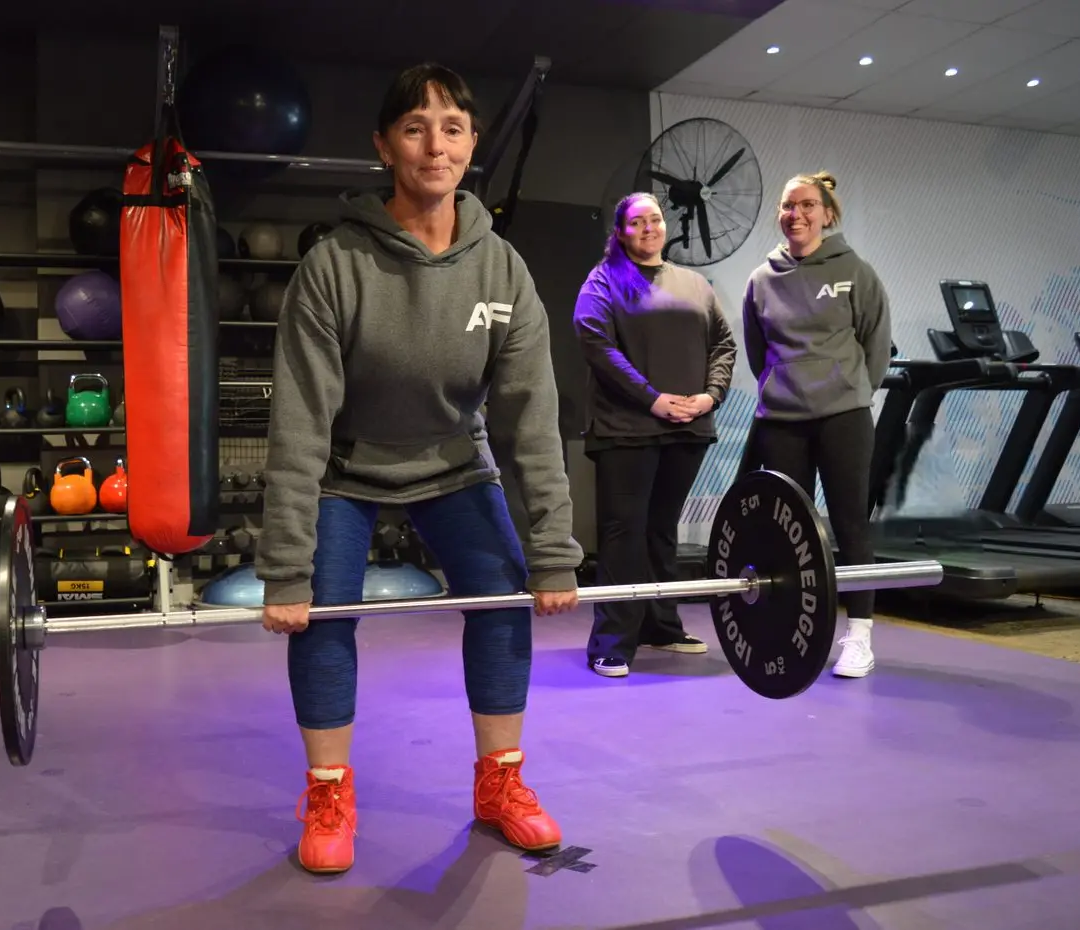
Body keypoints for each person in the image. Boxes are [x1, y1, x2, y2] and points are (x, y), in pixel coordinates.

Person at [253, 62, 583, 876]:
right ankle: (329, 792)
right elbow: (299, 421)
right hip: (343, 467)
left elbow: (527, 421)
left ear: (471, 144)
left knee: (502, 600)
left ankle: (499, 784)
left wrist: (552, 549)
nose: (434, 145)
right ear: (384, 145)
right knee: (325, 618)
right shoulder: (334, 265)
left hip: (450, 463)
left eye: (451, 127)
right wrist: (286, 569)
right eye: (414, 127)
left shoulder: (501, 269)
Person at [573, 192, 737, 678]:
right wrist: (651, 398)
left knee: (661, 532)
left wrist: (710, 396)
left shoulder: (694, 283)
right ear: (621, 232)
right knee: (624, 535)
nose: (649, 228)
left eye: (656, 220)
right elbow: (596, 344)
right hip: (627, 430)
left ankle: (661, 626)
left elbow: (724, 344)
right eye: (638, 222)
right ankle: (611, 642)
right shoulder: (603, 281)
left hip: (688, 428)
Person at [740, 170, 891, 679]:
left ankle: (860, 637)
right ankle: (795, 626)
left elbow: (875, 345)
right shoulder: (762, 279)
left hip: (843, 418)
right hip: (783, 420)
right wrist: (786, 388)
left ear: (828, 213)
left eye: (806, 205)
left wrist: (848, 393)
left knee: (850, 525)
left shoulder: (855, 271)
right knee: (791, 533)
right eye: (787, 206)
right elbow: (759, 353)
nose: (795, 214)